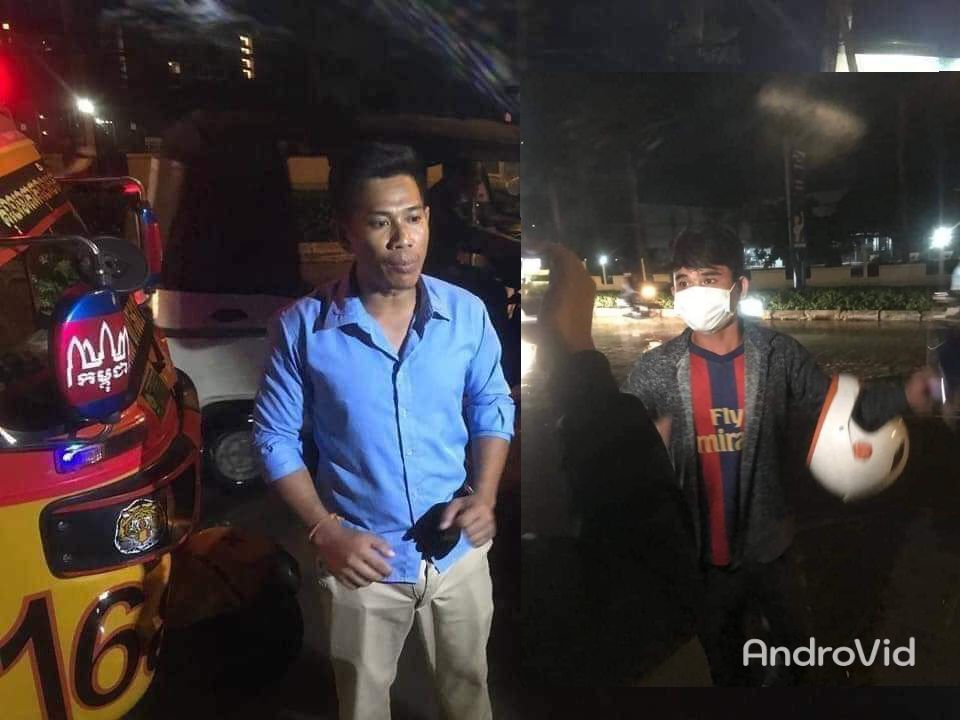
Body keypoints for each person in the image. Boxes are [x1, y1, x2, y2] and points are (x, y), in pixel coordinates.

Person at [252, 142, 514, 720]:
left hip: (457, 553)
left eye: (414, 218)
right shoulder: (302, 329)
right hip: (361, 563)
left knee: (469, 690)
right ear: (346, 233)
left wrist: (485, 496)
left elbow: (491, 402)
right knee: (363, 704)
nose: (404, 239)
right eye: (380, 222)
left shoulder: (466, 314)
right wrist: (326, 531)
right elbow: (274, 438)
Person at [620, 224, 934, 685]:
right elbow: (616, 445)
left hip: (771, 548)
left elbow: (837, 406)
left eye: (708, 278)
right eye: (683, 281)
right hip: (700, 559)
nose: (693, 291)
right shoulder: (656, 370)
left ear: (740, 287)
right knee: (726, 667)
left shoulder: (777, 356)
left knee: (796, 655)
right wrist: (643, 450)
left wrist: (905, 394)